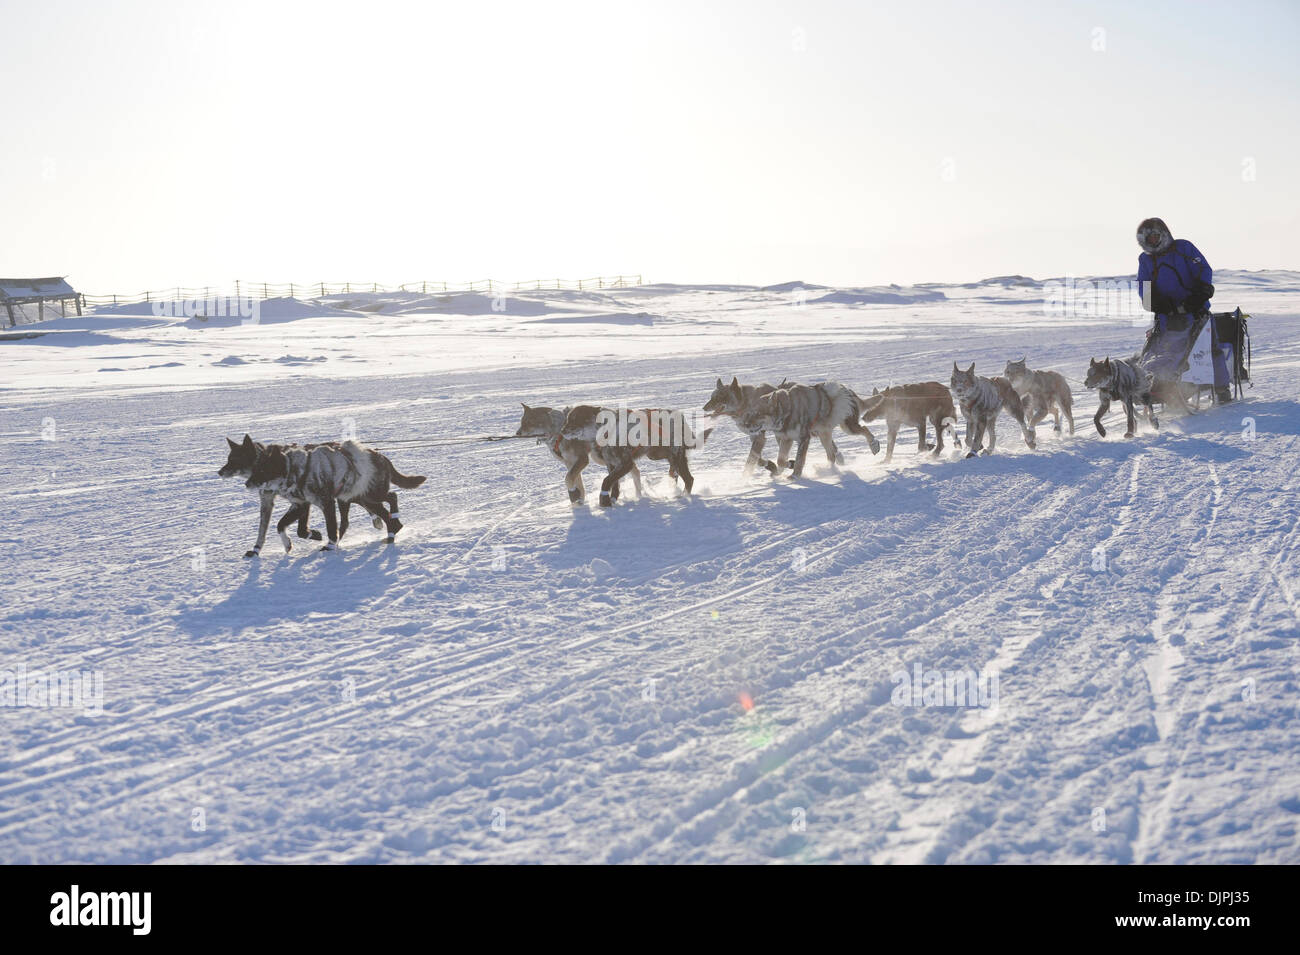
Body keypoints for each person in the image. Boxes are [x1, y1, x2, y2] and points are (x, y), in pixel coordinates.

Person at [1135, 217, 1231, 403]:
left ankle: (1222, 388)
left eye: (1155, 236)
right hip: (1166, 316)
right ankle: (1159, 384)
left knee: (1211, 349)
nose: (1153, 241)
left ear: (1163, 234)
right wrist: (1154, 302)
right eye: (1149, 239)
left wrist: (1202, 291)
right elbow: (1144, 286)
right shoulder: (1145, 260)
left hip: (1195, 311)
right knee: (1162, 350)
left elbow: (1203, 268)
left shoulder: (1183, 248)